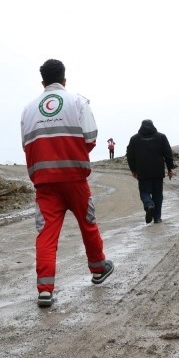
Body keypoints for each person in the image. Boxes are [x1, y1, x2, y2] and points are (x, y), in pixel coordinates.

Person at [20, 58, 114, 308]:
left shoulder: (28, 110)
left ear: (42, 82)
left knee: (46, 234)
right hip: (74, 178)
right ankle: (98, 268)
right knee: (87, 223)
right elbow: (91, 139)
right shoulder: (78, 102)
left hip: (44, 183)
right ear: (64, 79)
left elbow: (26, 146)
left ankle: (44, 289)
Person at [126, 119, 176, 224]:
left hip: (143, 171)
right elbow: (167, 153)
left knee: (144, 192)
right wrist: (170, 168)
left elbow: (130, 156)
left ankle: (149, 205)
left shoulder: (134, 139)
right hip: (158, 171)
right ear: (153, 125)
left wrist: (133, 170)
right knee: (158, 194)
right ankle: (157, 218)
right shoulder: (161, 137)